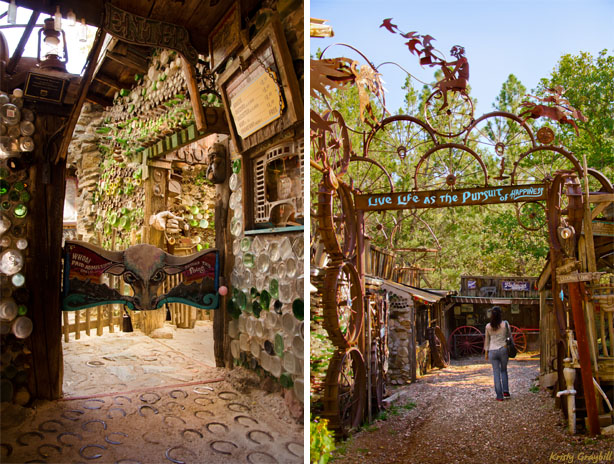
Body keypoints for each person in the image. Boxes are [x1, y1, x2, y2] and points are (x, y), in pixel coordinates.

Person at [484, 306, 510, 401]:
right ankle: (506, 391)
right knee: (503, 370)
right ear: (500, 314)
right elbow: (509, 336)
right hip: (503, 349)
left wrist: (486, 353)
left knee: (496, 373)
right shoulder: (505, 324)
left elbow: (487, 340)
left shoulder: (488, 326)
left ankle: (499, 396)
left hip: (492, 350)